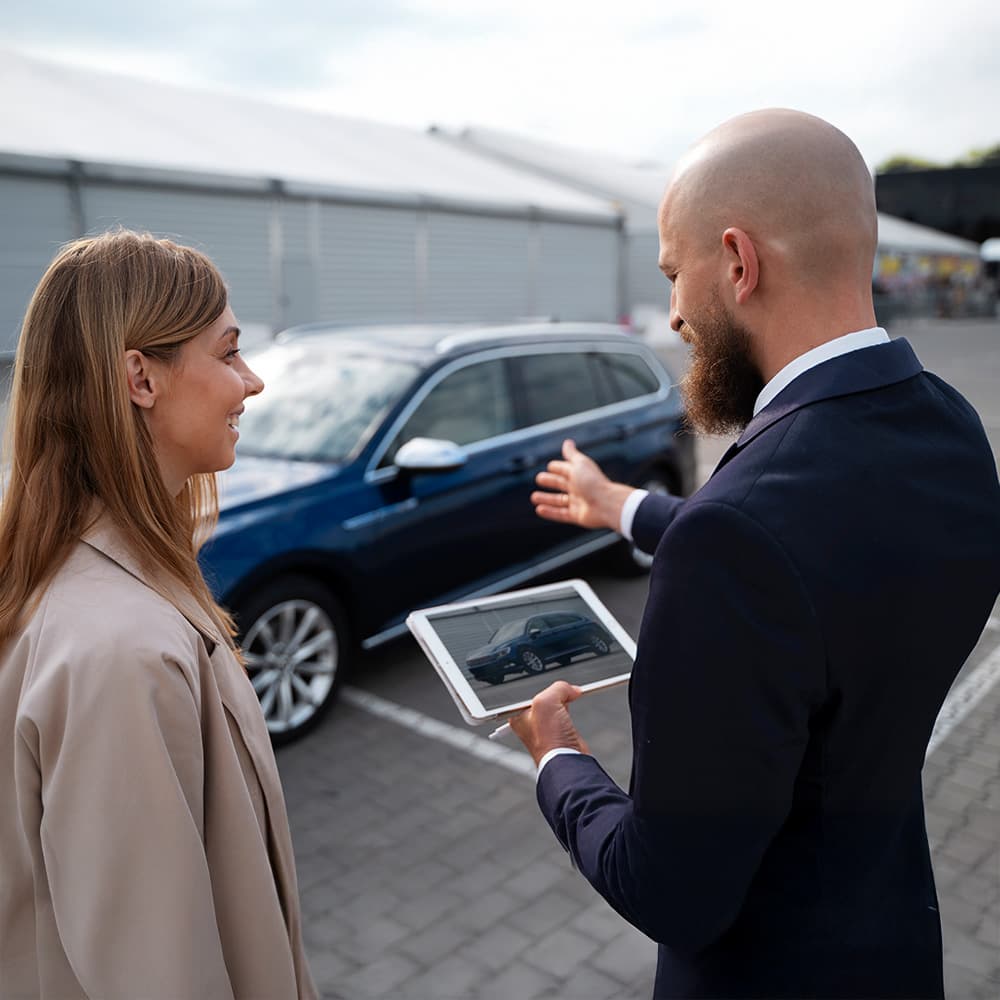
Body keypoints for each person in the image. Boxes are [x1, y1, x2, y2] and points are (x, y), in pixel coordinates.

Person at [510, 109, 1000, 999]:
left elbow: (669, 890)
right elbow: (818, 553)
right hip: (894, 951)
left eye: (672, 275)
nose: (672, 315)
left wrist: (557, 756)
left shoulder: (738, 538)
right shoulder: (950, 429)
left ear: (738, 262)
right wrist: (626, 508)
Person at [0, 231, 318, 999]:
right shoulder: (120, 652)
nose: (253, 382)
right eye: (230, 352)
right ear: (140, 378)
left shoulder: (80, 577)